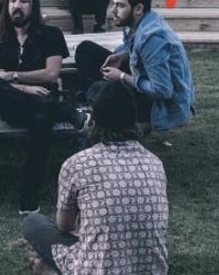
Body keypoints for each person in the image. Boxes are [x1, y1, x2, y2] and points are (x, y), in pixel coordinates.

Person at [23, 80, 169, 275]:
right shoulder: (154, 162)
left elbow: (64, 225)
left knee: (33, 222)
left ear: (94, 121)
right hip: (151, 270)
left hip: (98, 268)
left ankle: (51, 270)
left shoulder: (78, 163)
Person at [0, 0, 90, 214]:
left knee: (40, 122)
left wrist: (13, 77)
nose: (17, 6)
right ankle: (69, 113)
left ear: (33, 5)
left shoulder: (51, 34)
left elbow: (51, 74)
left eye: (23, 0)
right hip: (19, 105)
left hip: (43, 106)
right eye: (12, 0)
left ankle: (28, 195)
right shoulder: (1, 42)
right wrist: (25, 88)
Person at [74, 0, 194, 136]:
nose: (113, 10)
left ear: (138, 9)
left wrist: (122, 77)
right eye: (114, 4)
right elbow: (135, 48)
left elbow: (163, 91)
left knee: (102, 88)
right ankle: (89, 106)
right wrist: (123, 55)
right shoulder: (137, 21)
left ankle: (92, 112)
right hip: (142, 77)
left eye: (120, 6)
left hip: (160, 104)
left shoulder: (152, 38)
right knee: (86, 50)